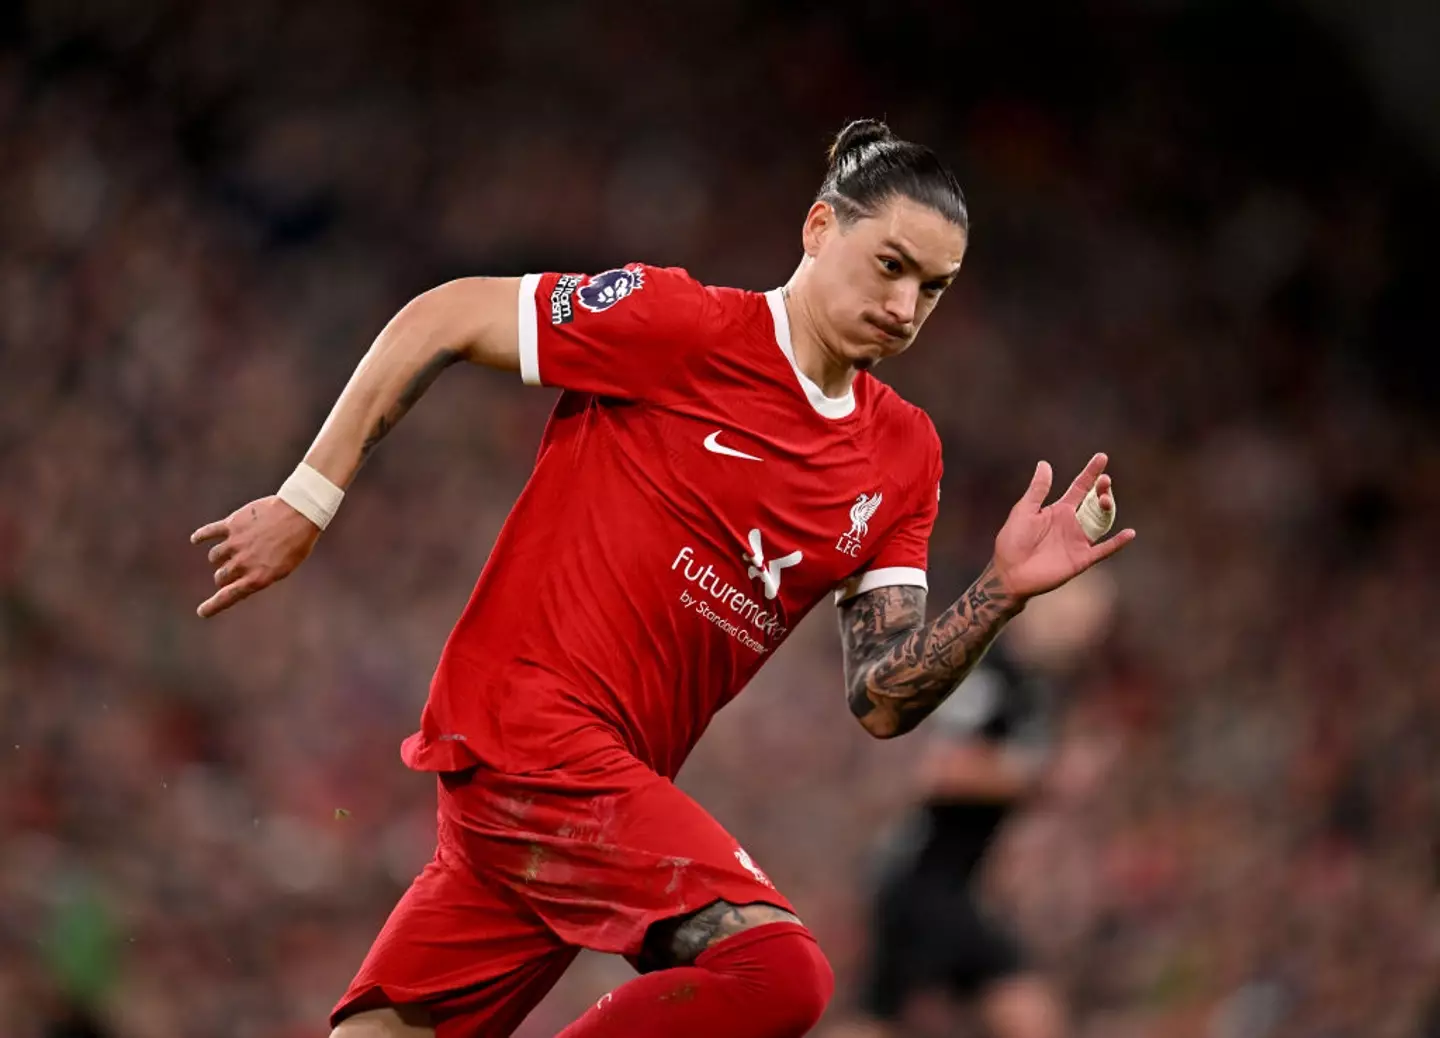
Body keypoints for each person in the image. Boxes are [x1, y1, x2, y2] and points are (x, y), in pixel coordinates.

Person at [189, 119, 1135, 1038]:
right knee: (778, 972)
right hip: (530, 727)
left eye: (933, 289)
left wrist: (1001, 591)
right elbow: (442, 316)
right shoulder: (681, 324)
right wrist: (307, 501)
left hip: (576, 796)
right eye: (890, 265)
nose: (904, 306)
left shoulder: (904, 455)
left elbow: (882, 697)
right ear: (818, 228)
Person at [841, 570, 1119, 1038]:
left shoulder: (1039, 687)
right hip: (921, 880)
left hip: (952, 884)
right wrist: (1045, 779)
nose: (1087, 634)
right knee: (1022, 1012)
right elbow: (942, 770)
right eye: (1081, 617)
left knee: (884, 1017)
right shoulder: (992, 669)